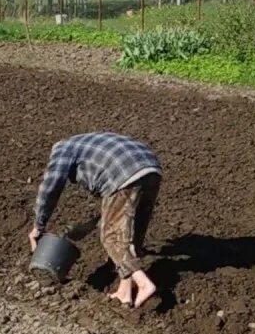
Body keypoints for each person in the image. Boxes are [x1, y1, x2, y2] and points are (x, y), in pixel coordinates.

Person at [28, 132, 162, 308]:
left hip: (124, 172)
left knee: (111, 236)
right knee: (130, 234)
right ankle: (125, 292)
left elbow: (50, 187)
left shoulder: (61, 149)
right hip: (151, 168)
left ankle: (143, 283)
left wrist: (38, 225)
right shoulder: (86, 143)